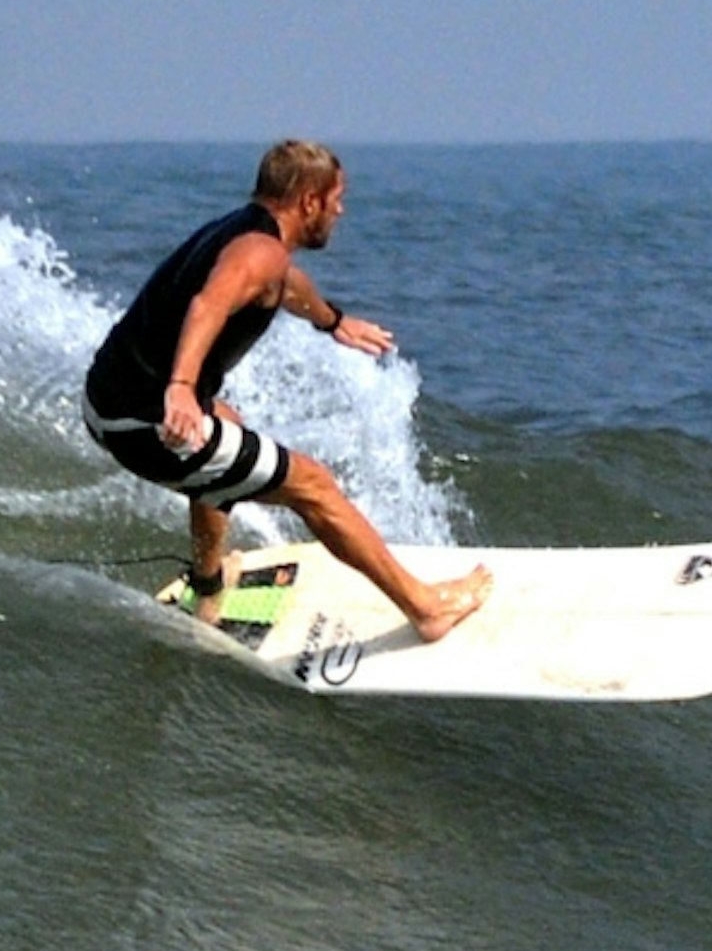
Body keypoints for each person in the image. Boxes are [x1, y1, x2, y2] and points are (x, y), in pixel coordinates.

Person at [81, 141, 490, 644]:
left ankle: (208, 585)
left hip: (107, 404)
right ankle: (425, 607)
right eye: (336, 198)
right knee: (313, 485)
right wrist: (183, 388)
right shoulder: (258, 252)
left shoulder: (246, 234)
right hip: (144, 423)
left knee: (226, 432)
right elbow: (208, 305)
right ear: (309, 201)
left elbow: (287, 283)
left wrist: (334, 322)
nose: (341, 210)